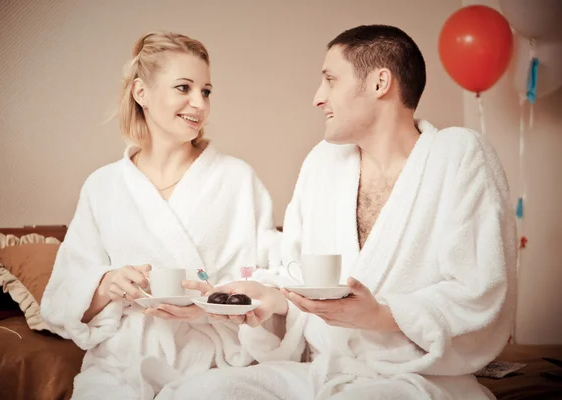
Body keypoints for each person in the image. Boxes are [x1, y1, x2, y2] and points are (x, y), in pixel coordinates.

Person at [159, 24, 517, 400]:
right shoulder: (324, 163)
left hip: (417, 378)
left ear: (380, 83)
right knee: (196, 393)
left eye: (330, 80)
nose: (318, 98)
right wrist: (271, 298)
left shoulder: (458, 155)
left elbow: (479, 290)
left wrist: (382, 316)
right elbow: (297, 272)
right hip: (326, 371)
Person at [40, 31, 281, 400]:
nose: (198, 103)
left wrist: (211, 305)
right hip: (123, 366)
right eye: (183, 88)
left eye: (206, 91)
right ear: (141, 93)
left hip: (217, 364)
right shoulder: (103, 186)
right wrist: (106, 285)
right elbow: (62, 299)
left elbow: (271, 280)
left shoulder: (237, 179)